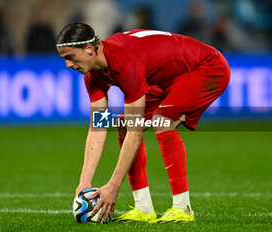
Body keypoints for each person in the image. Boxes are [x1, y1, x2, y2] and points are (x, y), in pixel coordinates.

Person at [56, 22, 230, 223]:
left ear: (88, 49)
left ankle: (183, 208)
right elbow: (98, 126)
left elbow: (136, 133)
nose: (68, 65)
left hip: (206, 67)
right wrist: (83, 183)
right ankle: (144, 209)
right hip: (165, 77)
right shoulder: (92, 76)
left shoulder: (124, 63)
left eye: (70, 57)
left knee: (163, 121)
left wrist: (114, 185)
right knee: (123, 124)